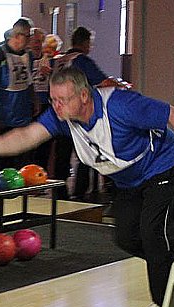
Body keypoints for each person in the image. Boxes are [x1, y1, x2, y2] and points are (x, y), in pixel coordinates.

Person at [0, 67, 174, 307]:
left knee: (154, 236)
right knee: (127, 238)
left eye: (63, 100)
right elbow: (29, 135)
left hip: (161, 167)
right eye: (53, 100)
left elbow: (172, 115)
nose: (57, 106)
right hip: (128, 179)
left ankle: (169, 306)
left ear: (84, 96)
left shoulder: (120, 105)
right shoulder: (62, 117)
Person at [52, 26, 129, 201]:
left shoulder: (59, 61)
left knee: (62, 154)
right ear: (86, 43)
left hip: (58, 113)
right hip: (76, 114)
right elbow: (104, 82)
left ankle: (59, 190)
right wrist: (122, 86)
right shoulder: (82, 61)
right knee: (84, 152)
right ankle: (82, 192)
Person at [0, 17, 35, 167]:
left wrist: (34, 101)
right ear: (17, 36)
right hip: (4, 117)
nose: (29, 40)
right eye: (27, 36)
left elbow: (29, 82)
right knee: (4, 162)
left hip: (23, 117)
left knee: (23, 162)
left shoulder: (28, 56)